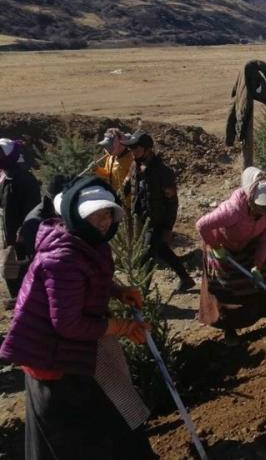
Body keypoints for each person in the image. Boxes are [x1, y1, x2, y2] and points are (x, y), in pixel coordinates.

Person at [0, 177, 155, 459]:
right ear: (76, 217)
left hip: (74, 352)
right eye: (95, 216)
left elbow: (87, 281)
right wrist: (121, 326)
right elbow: (67, 324)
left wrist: (118, 291)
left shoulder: (89, 244)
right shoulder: (62, 259)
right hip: (51, 360)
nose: (104, 221)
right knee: (70, 443)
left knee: (105, 422)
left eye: (108, 213)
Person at [196, 167, 266, 345]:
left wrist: (257, 265)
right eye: (262, 206)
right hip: (222, 249)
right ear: (252, 198)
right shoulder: (232, 211)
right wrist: (215, 247)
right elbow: (201, 225)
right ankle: (229, 330)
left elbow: (265, 241)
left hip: (248, 245)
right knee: (228, 290)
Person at [123, 131, 195, 292]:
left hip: (157, 221)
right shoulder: (134, 166)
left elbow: (172, 203)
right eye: (131, 148)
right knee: (161, 249)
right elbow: (126, 188)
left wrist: (168, 228)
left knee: (147, 254)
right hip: (140, 219)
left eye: (136, 148)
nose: (132, 151)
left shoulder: (163, 172)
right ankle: (185, 278)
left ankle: (142, 292)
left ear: (148, 149)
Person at [0, 139, 41, 309]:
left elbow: (33, 209)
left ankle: (24, 300)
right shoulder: (7, 175)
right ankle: (18, 298)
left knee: (21, 266)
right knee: (11, 267)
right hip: (11, 232)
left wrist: (23, 232)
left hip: (22, 234)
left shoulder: (24, 179)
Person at [94, 128, 134, 207]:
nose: (107, 149)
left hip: (129, 202)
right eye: (105, 146)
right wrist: (97, 169)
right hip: (115, 197)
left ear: (118, 143)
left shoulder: (131, 159)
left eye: (109, 146)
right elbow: (107, 174)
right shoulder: (110, 158)